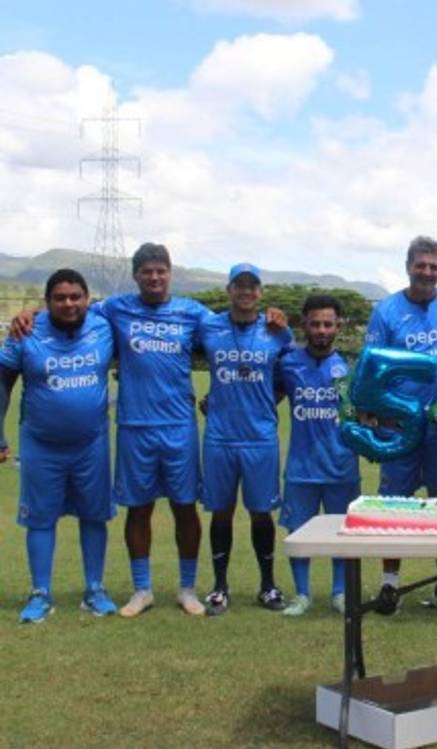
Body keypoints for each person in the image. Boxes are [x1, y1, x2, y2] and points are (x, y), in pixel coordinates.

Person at [6, 243, 288, 617]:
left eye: (161, 271)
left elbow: (238, 320)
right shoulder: (115, 308)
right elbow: (71, 309)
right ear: (136, 275)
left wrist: (273, 316)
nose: (155, 278)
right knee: (138, 510)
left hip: (179, 426)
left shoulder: (194, 314)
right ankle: (142, 590)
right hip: (134, 427)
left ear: (170, 273)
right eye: (147, 272)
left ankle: (187, 588)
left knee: (184, 507)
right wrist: (30, 313)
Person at [364, 236, 437, 615]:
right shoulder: (386, 311)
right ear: (408, 267)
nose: (427, 272)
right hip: (400, 425)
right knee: (394, 505)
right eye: (421, 265)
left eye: (433, 266)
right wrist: (374, 414)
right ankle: (389, 586)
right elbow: (370, 365)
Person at [0, 269, 117, 622]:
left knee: (94, 516)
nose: (68, 303)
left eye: (75, 296)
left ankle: (94, 589)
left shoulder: (103, 325)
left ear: (87, 298)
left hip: (91, 444)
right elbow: (3, 381)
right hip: (41, 445)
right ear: (47, 301)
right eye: (60, 298)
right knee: (40, 519)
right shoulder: (26, 332)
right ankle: (40, 593)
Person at [197, 263, 294, 615]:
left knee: (261, 513)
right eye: (239, 285)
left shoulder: (277, 331)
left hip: (260, 437)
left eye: (252, 286)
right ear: (229, 290)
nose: (245, 292)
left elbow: (288, 377)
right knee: (221, 512)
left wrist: (265, 402)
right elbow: (180, 355)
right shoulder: (208, 326)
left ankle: (267, 585)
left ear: (260, 292)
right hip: (220, 437)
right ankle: (219, 587)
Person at [277, 294, 360, 616]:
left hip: (342, 466)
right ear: (304, 325)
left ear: (338, 326)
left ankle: (340, 592)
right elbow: (263, 398)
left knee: (342, 533)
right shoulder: (288, 364)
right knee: (298, 533)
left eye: (328, 324)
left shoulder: (350, 368)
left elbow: (365, 412)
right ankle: (302, 595)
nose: (322, 330)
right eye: (315, 324)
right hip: (301, 468)